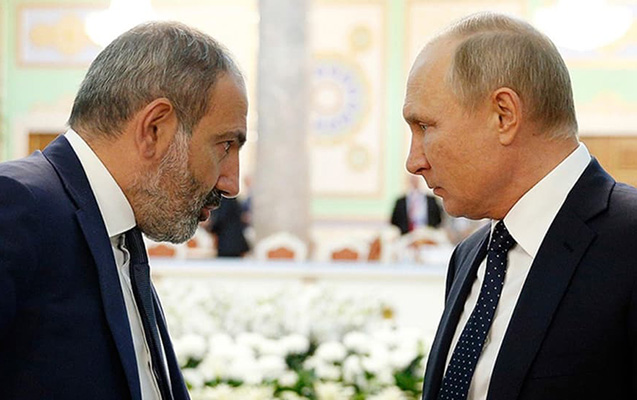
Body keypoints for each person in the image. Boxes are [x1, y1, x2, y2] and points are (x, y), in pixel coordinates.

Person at [0, 22, 247, 399]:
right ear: (154, 129)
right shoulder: (15, 205)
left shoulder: (119, 229)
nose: (232, 183)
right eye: (225, 145)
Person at [403, 12, 637, 400]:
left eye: (425, 126)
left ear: (504, 115)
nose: (414, 162)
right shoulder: (471, 254)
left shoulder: (629, 244)